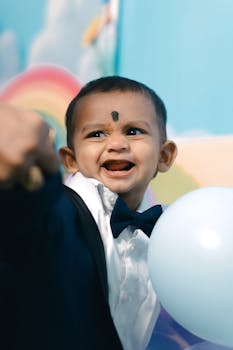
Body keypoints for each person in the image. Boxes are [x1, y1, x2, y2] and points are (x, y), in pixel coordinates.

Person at [0, 76, 177, 350]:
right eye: (96, 134)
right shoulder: (61, 215)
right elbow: (29, 218)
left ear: (164, 156)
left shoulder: (167, 239)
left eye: (133, 131)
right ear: (70, 160)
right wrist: (26, 185)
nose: (117, 144)